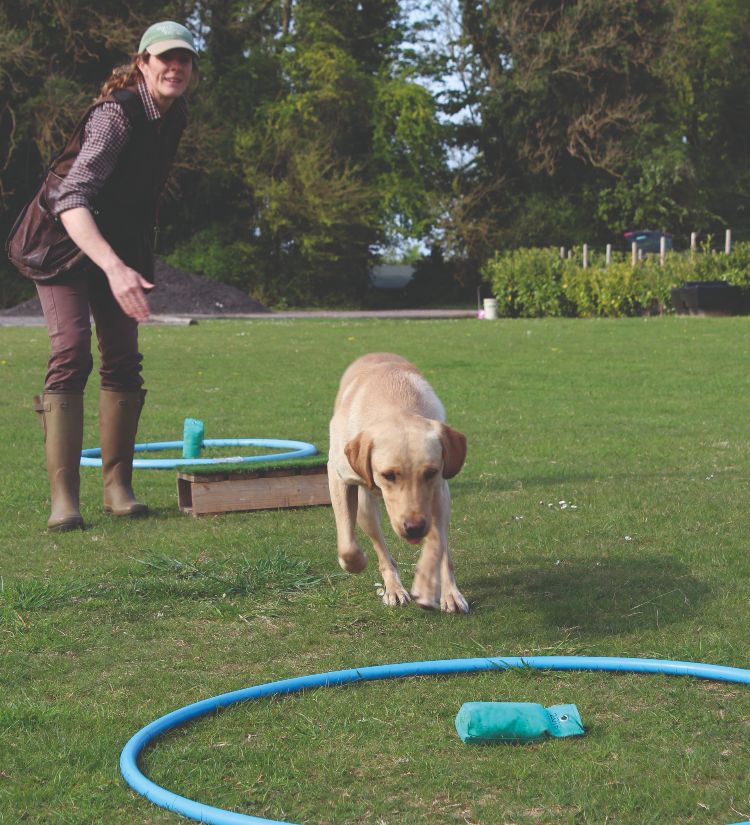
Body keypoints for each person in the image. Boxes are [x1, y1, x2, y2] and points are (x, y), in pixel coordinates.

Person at [32, 21, 197, 531]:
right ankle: (65, 498)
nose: (175, 67)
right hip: (63, 243)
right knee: (72, 349)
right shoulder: (115, 116)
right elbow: (71, 197)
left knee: (124, 356)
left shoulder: (175, 115)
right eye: (164, 58)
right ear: (142, 62)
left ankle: (117, 487)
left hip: (117, 246)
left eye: (184, 60)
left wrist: (128, 259)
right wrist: (113, 266)